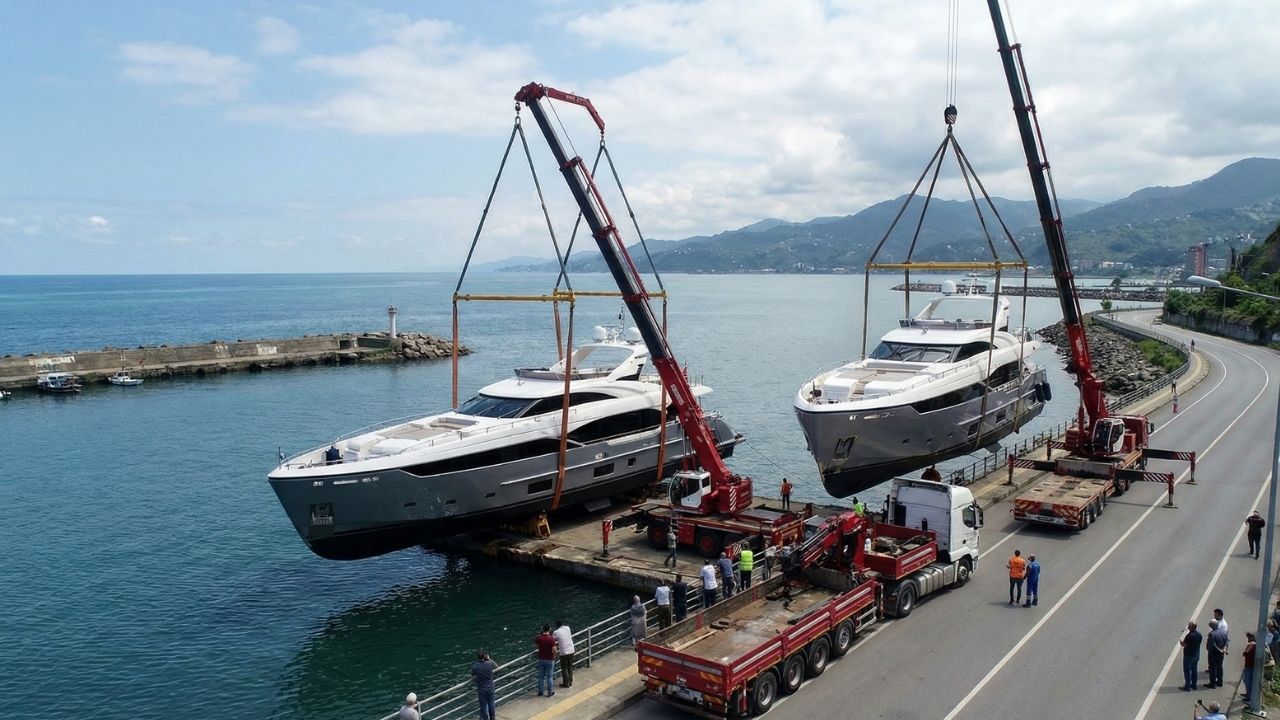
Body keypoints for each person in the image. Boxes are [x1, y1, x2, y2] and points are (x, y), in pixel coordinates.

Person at [471, 650, 498, 720]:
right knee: (491, 704)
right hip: (490, 687)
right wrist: (489, 659)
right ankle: (492, 718)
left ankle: (485, 719)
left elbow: (472, 677)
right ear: (485, 656)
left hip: (481, 689)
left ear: (477, 657)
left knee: (483, 706)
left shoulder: (475, 667)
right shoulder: (489, 664)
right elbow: (497, 666)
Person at [534, 624, 557, 697]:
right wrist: (555, 654)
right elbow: (554, 650)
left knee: (541, 677)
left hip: (541, 659)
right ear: (549, 629)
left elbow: (536, 646)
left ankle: (540, 692)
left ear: (542, 629)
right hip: (550, 659)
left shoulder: (538, 638)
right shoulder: (552, 639)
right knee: (550, 676)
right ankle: (550, 692)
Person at [1180, 620, 1202, 691]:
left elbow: (1184, 644)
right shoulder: (1199, 635)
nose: (1188, 626)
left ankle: (1187, 686)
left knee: (1187, 671)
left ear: (1191, 627)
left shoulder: (1189, 636)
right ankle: (1194, 685)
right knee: (1194, 670)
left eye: (1189, 625)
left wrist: (1181, 640)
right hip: (1196, 654)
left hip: (1188, 655)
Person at [553, 619, 575, 688]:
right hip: (571, 649)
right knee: (570, 666)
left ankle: (566, 683)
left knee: (564, 668)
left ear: (556, 625)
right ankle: (570, 681)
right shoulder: (567, 628)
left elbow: (553, 639)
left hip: (564, 652)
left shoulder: (556, 632)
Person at [1206, 619, 1227, 689]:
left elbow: (1212, 645)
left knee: (1212, 668)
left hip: (1213, 654)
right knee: (1220, 667)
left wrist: (1219, 650)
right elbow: (1226, 641)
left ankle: (1212, 683)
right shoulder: (1223, 631)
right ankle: (1220, 681)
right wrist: (1224, 649)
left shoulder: (1212, 634)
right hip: (1221, 654)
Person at [1242, 631, 1258, 704]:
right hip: (1250, 665)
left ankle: (1249, 697)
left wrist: (1247, 648)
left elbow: (1245, 653)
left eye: (1248, 637)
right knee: (1247, 680)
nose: (1248, 639)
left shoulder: (1252, 644)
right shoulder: (1255, 644)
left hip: (1249, 666)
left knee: (1247, 681)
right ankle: (1248, 694)